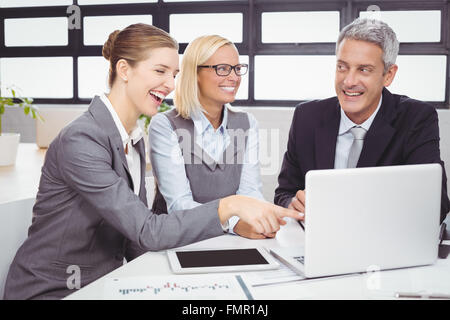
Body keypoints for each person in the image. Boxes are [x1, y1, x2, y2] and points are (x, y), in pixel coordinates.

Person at [4, 24, 302, 300]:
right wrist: (230, 206)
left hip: (106, 283)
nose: (170, 84)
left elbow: (134, 237)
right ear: (124, 69)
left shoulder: (133, 138)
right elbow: (147, 229)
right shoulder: (82, 139)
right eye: (160, 71)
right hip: (52, 290)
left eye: (173, 74)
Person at [274, 18, 450, 224]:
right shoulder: (307, 116)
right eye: (342, 67)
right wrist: (293, 203)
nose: (349, 81)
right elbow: (283, 194)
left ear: (388, 75)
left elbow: (435, 204)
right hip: (317, 242)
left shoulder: (416, 118)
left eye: (364, 69)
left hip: (383, 244)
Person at [150, 35, 267, 239]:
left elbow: (250, 191)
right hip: (179, 241)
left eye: (237, 68)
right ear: (195, 73)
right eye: (222, 68)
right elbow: (180, 206)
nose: (234, 77)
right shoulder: (165, 125)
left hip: (232, 242)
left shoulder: (247, 123)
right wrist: (234, 224)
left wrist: (261, 218)